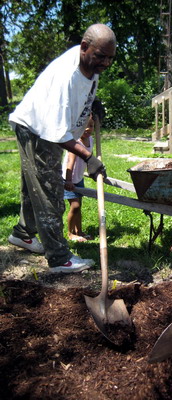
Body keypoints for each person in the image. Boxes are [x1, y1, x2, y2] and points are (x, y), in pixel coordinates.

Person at [8, 23, 116, 273]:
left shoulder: (89, 64)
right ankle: (59, 258)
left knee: (32, 188)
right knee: (49, 191)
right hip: (37, 130)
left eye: (110, 58)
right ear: (85, 47)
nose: (106, 64)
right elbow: (56, 134)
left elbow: (82, 92)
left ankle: (23, 233)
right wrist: (88, 157)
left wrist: (93, 102)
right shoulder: (64, 77)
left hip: (46, 129)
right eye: (101, 57)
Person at [62, 113, 95, 242]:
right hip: (68, 179)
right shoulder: (75, 143)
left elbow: (88, 159)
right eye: (84, 127)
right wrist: (68, 181)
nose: (88, 129)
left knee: (78, 207)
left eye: (91, 126)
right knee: (75, 206)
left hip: (78, 178)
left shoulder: (91, 140)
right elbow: (70, 163)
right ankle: (70, 233)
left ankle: (79, 231)